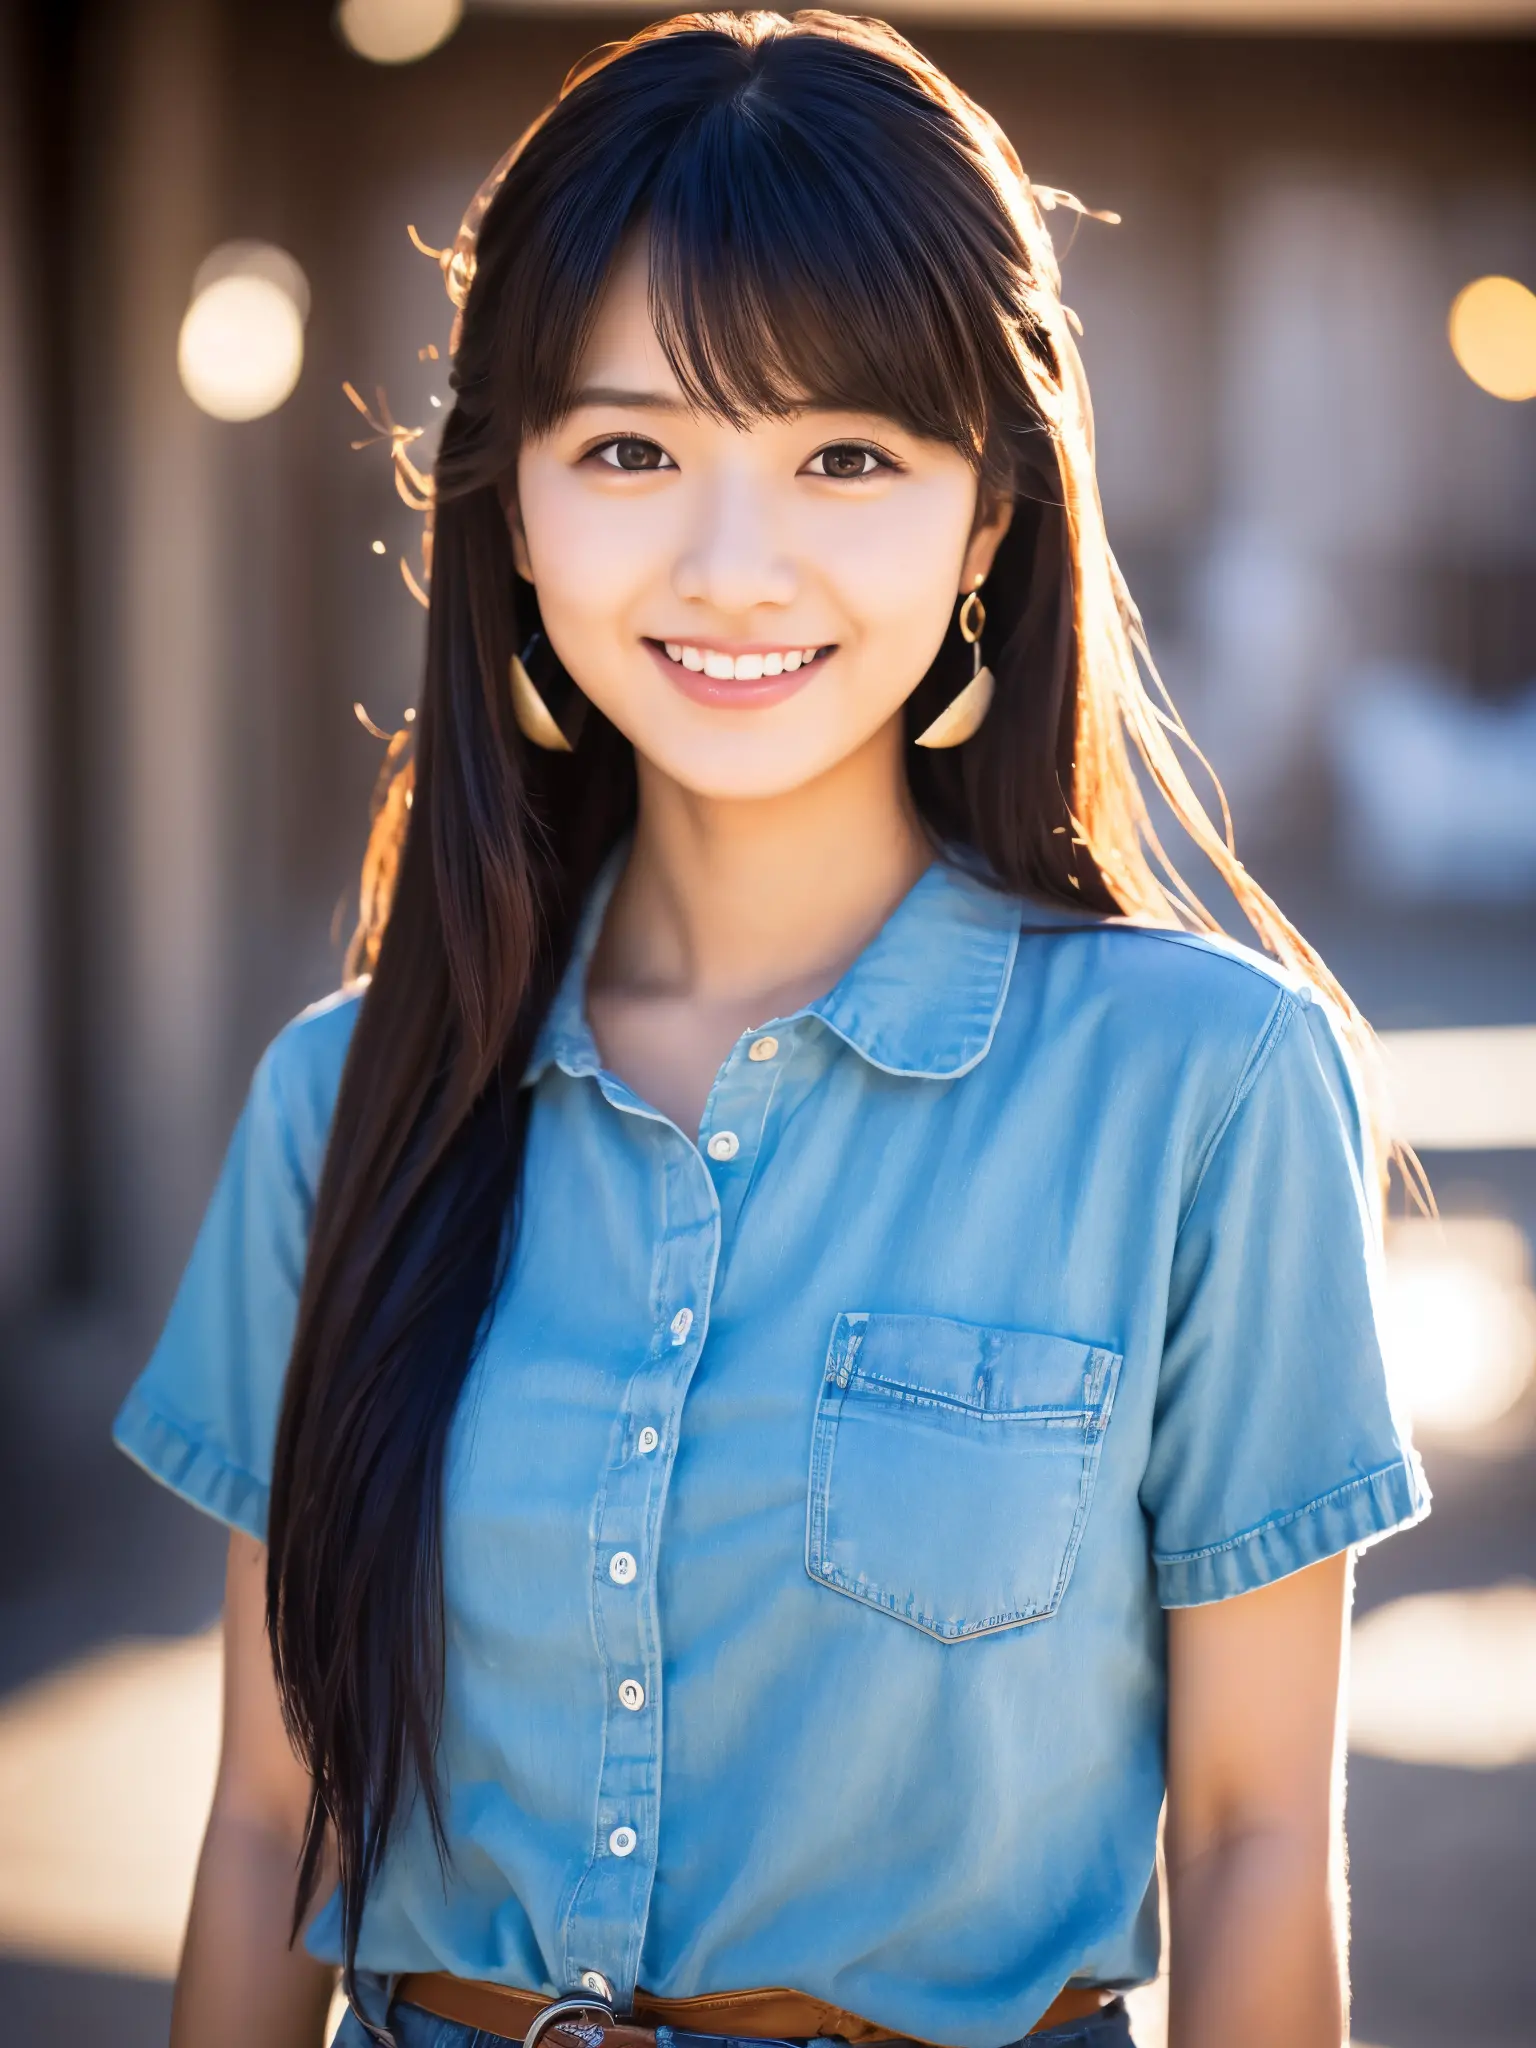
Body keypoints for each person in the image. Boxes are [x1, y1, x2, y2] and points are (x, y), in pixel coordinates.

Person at [112, 13, 1429, 2048]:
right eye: (631, 448)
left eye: (846, 456)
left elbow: (1256, 1831)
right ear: (514, 503)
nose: (737, 566)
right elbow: (266, 1813)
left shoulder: (1209, 1089)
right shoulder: (342, 1099)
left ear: (990, 515)